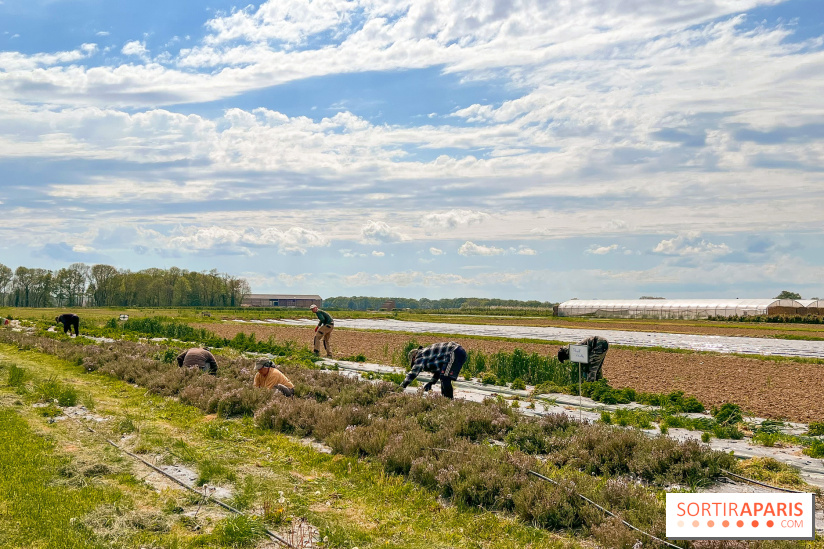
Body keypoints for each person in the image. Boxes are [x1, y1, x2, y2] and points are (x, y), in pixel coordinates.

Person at [400, 342, 467, 399]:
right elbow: (439, 372)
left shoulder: (420, 355)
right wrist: (431, 383)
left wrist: (401, 386)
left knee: (445, 378)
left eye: (414, 362)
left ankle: (449, 401)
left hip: (454, 351)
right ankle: (445, 400)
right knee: (444, 377)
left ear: (414, 358)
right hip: (459, 352)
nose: (415, 363)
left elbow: (413, 373)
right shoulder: (428, 354)